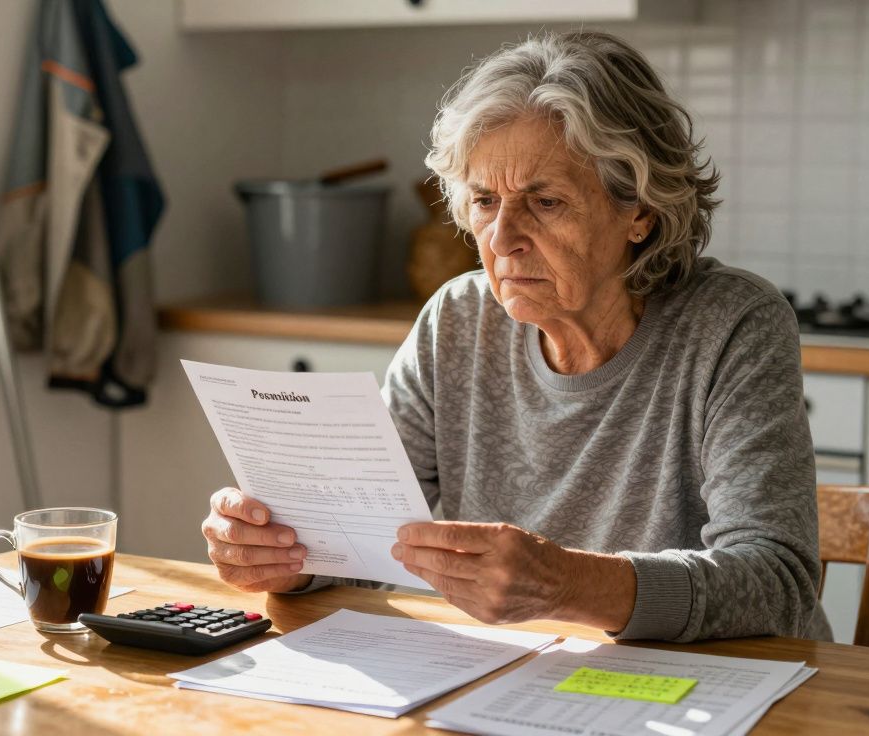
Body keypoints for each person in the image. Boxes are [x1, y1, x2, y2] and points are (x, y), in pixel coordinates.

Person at [201, 30, 832, 642]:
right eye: (483, 201)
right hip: (517, 678)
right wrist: (286, 555)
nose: (501, 239)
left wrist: (570, 584)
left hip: (722, 689)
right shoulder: (456, 321)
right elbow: (362, 536)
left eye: (546, 202)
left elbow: (776, 583)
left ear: (640, 209)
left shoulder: (732, 325)